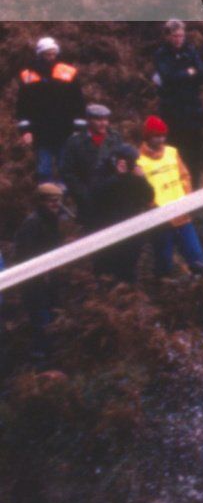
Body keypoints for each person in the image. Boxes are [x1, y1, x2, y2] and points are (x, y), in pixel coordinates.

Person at [133, 117, 203, 277]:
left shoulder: (172, 152)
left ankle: (200, 288)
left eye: (163, 135)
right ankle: (163, 292)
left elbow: (185, 176)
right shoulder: (138, 160)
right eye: (156, 136)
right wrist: (153, 207)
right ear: (147, 137)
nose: (161, 140)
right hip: (160, 220)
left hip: (182, 215)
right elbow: (140, 193)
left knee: (196, 257)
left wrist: (187, 199)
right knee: (164, 262)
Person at [10, 183, 72, 361]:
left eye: (58, 201)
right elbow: (25, 254)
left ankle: (50, 353)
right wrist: (39, 273)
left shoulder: (51, 220)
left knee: (51, 316)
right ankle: (41, 358)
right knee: (41, 319)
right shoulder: (33, 223)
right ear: (41, 202)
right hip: (34, 281)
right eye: (52, 201)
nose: (56, 205)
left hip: (49, 279)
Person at [15, 37, 82, 182]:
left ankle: (63, 199)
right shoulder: (28, 76)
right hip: (41, 132)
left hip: (65, 130)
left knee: (65, 168)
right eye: (47, 54)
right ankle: (45, 197)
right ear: (40, 54)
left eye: (53, 53)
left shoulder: (68, 72)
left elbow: (78, 103)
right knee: (43, 170)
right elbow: (22, 106)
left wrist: (78, 128)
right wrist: (25, 130)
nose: (51, 57)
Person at [151, 21, 203, 181]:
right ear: (168, 36)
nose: (179, 39)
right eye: (175, 36)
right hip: (172, 112)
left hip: (192, 110)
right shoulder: (161, 54)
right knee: (175, 151)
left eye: (181, 36)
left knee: (194, 153)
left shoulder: (190, 51)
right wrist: (189, 73)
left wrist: (184, 75)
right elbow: (168, 78)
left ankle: (195, 188)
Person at [58, 104, 119, 228]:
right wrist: (82, 194)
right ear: (89, 120)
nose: (103, 123)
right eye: (99, 120)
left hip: (112, 199)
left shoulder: (115, 138)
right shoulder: (75, 142)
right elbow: (67, 172)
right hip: (88, 201)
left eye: (106, 119)